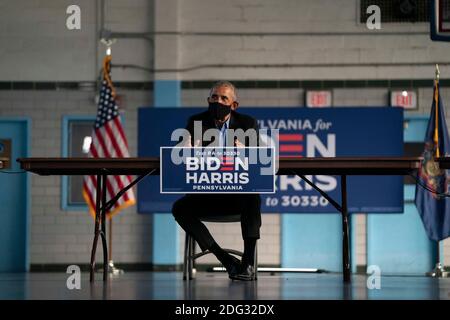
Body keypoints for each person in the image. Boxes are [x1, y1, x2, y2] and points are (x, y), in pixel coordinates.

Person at [172, 81, 261, 281]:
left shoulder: (247, 123)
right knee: (179, 208)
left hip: (236, 196)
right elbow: (179, 155)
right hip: (206, 196)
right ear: (208, 100)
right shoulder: (196, 121)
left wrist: (246, 151)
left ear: (234, 105)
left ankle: (247, 264)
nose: (218, 101)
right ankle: (226, 260)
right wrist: (186, 148)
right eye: (214, 97)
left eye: (224, 98)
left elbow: (259, 160)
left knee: (253, 197)